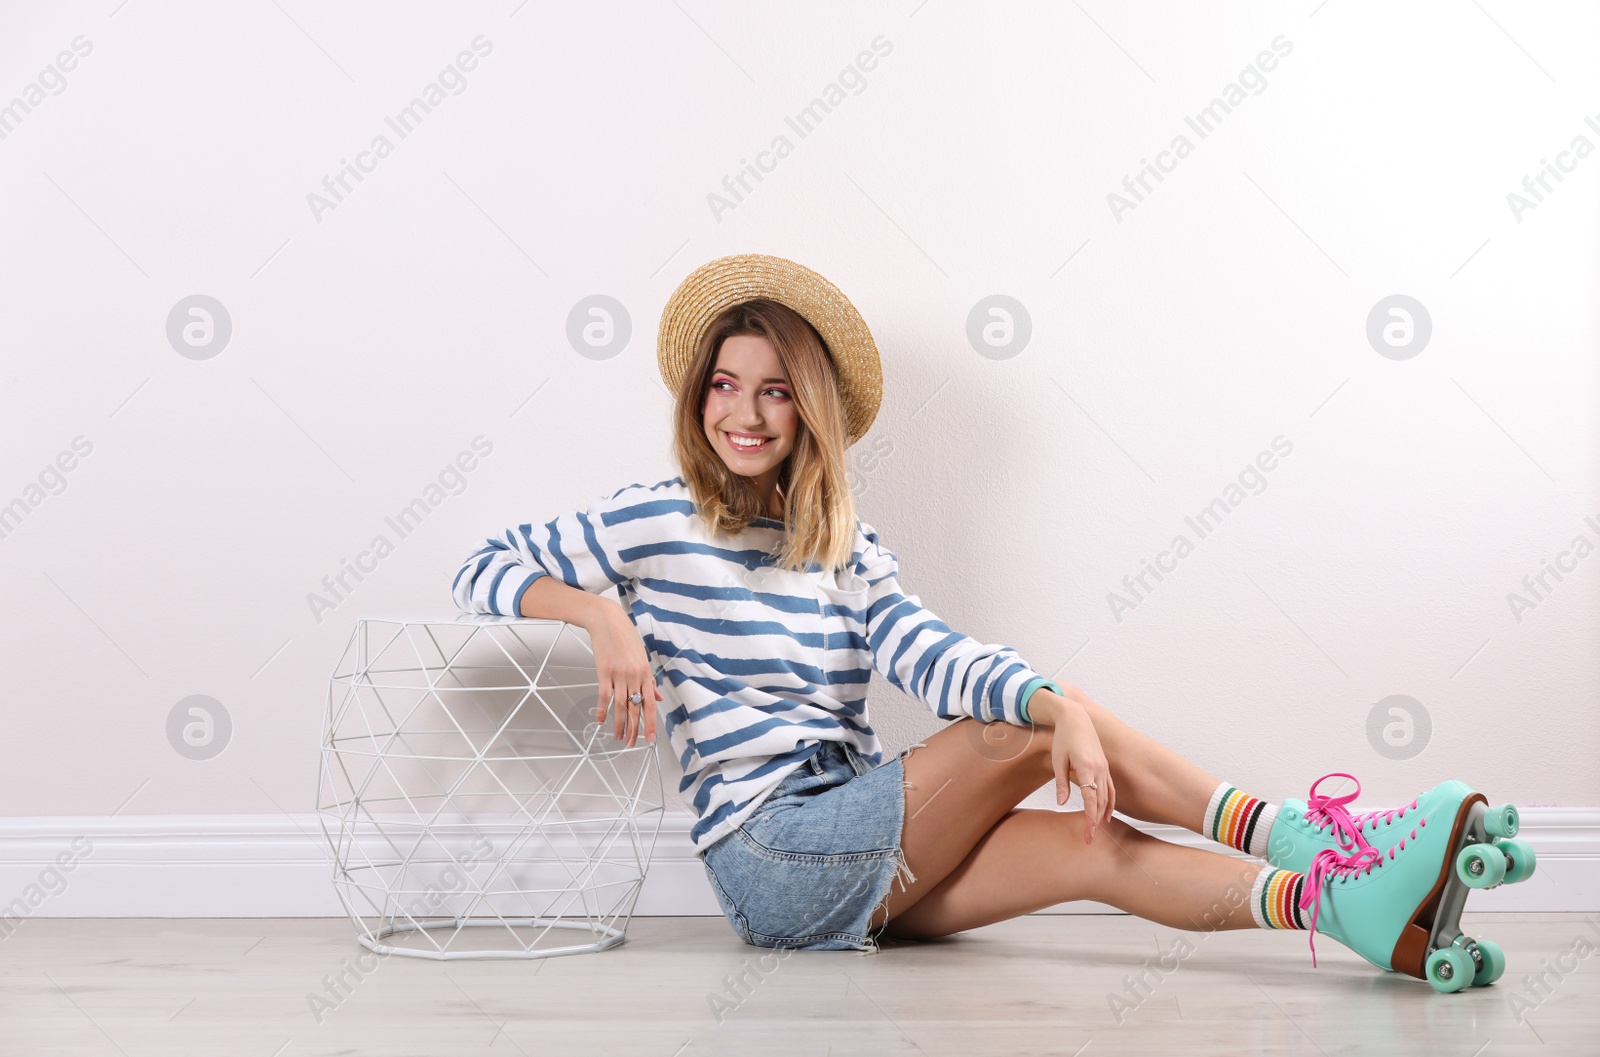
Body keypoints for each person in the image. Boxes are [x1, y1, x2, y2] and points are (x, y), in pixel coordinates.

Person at [451, 254, 1522, 991]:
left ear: (807, 408)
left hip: (862, 838)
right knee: (1028, 727)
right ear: (695, 400)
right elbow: (479, 565)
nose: (742, 411)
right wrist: (597, 612)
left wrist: (1056, 705)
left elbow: (932, 652)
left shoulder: (842, 547)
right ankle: (1306, 832)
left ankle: (1345, 907)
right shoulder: (656, 520)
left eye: (774, 391)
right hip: (769, 852)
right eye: (723, 386)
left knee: (1094, 844)